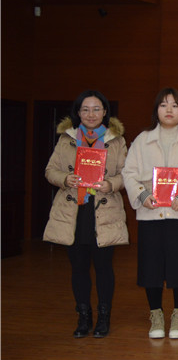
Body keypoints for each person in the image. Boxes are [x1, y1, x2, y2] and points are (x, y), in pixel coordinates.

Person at [122, 88, 178, 339]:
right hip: (151, 214)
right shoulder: (142, 140)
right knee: (151, 267)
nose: (169, 110)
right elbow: (129, 172)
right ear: (156, 110)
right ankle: (156, 314)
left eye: (174, 105)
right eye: (163, 105)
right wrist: (141, 195)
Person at [43, 90, 129, 338]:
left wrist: (111, 184)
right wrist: (65, 178)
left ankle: (103, 317)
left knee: (104, 267)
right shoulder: (66, 139)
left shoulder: (117, 140)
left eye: (96, 109)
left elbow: (127, 174)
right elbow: (50, 170)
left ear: (105, 112)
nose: (91, 114)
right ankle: (83, 317)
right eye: (85, 109)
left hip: (104, 212)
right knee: (78, 267)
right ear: (78, 113)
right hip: (74, 211)